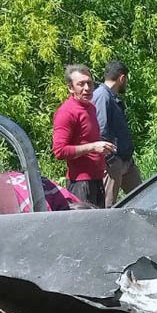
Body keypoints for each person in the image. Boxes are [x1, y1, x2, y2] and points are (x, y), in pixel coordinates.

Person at [53, 64, 115, 208]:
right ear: (70, 88)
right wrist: (93, 147)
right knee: (83, 228)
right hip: (80, 184)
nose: (87, 88)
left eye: (89, 83)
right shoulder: (67, 112)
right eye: (81, 84)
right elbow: (59, 151)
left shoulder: (90, 107)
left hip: (97, 179)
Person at [93, 60, 140, 206]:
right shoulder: (102, 96)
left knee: (142, 198)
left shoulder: (112, 97)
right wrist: (112, 159)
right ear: (122, 78)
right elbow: (100, 130)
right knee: (109, 206)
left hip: (126, 161)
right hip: (114, 163)